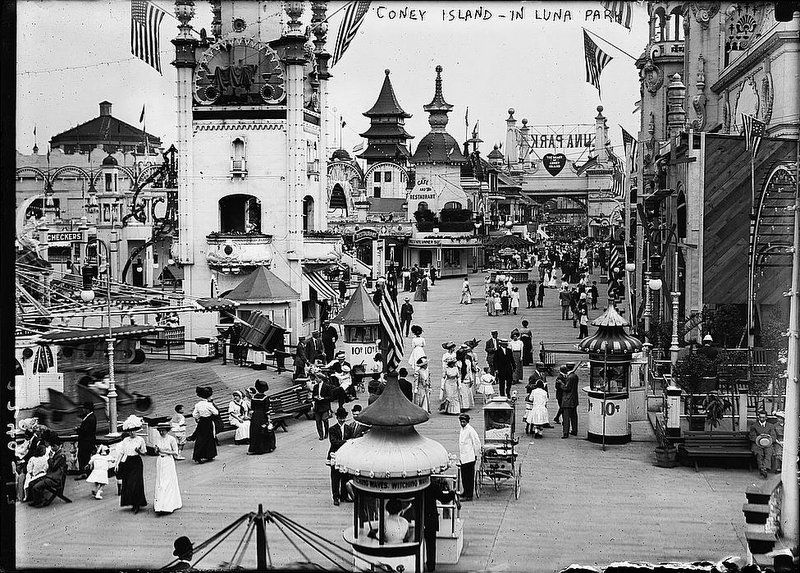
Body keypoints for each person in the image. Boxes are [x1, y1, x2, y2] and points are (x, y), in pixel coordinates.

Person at [423, 477, 458, 572]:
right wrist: (452, 493)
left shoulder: (419, 486)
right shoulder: (433, 486)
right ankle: (431, 566)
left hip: (419, 518)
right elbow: (444, 499)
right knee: (431, 544)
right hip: (431, 518)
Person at [118, 415, 148, 513]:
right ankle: (131, 502)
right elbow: (122, 452)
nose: (131, 432)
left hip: (136, 462)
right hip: (127, 462)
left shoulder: (140, 440)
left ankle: (137, 504)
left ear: (136, 430)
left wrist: (139, 451)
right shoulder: (125, 440)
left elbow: (144, 453)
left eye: (133, 430)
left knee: (135, 482)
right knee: (128, 483)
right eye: (130, 431)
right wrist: (117, 464)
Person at [27, 438, 68, 508]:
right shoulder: (57, 454)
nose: (52, 448)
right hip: (50, 476)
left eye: (54, 446)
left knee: (36, 486)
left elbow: (53, 466)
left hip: (54, 479)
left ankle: (39, 502)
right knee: (32, 483)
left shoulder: (61, 455)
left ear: (59, 446)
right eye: (52, 446)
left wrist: (50, 458)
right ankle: (36, 500)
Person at [153, 421, 182, 515]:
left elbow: (176, 452)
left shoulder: (171, 439)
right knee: (160, 481)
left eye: (163, 431)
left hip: (168, 461)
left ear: (167, 430)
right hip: (160, 461)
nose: (161, 433)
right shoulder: (157, 438)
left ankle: (168, 505)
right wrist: (157, 450)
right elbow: (156, 451)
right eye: (160, 431)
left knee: (168, 482)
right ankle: (159, 505)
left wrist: (165, 451)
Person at [328, 407, 354, 506]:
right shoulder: (332, 429)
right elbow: (333, 442)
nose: (342, 420)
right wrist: (346, 442)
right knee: (335, 477)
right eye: (340, 418)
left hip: (345, 456)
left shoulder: (349, 428)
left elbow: (352, 440)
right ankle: (335, 497)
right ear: (337, 418)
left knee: (345, 476)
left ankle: (344, 496)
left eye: (343, 418)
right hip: (335, 455)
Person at [191, 386, 218, 463]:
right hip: (208, 421)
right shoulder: (209, 404)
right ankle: (209, 454)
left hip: (201, 421)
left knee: (200, 438)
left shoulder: (198, 404)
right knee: (209, 437)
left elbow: (194, 414)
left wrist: (199, 416)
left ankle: (198, 456)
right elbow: (216, 412)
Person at [458, 414, 481, 501]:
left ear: (467, 422)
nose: (462, 423)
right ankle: (465, 492)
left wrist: (476, 454)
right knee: (464, 477)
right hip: (463, 457)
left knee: (469, 477)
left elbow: (476, 442)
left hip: (470, 457)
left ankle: (469, 495)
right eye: (461, 422)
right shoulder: (462, 429)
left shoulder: (470, 430)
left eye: (464, 422)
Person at [248, 380, 276, 454]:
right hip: (262, 416)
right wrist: (269, 419)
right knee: (264, 430)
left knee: (255, 431)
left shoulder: (253, 398)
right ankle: (266, 448)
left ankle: (253, 449)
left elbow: (252, 408)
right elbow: (267, 410)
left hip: (255, 416)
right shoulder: (265, 398)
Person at [748, 410, 775, 478]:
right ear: (758, 417)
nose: (762, 419)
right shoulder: (754, 426)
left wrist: (768, 439)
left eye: (763, 417)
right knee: (759, 454)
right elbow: (752, 437)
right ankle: (761, 468)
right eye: (760, 417)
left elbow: (773, 436)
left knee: (768, 453)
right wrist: (760, 438)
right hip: (757, 444)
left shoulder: (771, 426)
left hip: (768, 444)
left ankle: (764, 468)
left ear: (766, 418)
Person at [75, 401, 97, 480]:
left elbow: (85, 431)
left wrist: (77, 430)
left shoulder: (90, 418)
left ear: (88, 409)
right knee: (85, 458)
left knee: (83, 457)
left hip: (86, 442)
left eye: (84, 408)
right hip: (88, 441)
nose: (83, 410)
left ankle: (84, 473)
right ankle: (85, 472)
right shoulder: (91, 417)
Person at [310, 370, 333, 441]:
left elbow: (331, 397)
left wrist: (323, 398)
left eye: (317, 378)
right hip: (317, 406)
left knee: (325, 420)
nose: (316, 380)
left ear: (321, 379)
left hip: (324, 405)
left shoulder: (327, 386)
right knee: (318, 421)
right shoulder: (315, 386)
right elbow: (313, 396)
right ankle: (321, 435)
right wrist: (316, 397)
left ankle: (326, 433)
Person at [560, 364, 580, 439]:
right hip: (574, 399)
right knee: (574, 416)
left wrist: (561, 384)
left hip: (568, 400)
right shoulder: (575, 376)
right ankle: (574, 430)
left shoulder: (570, 377)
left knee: (566, 417)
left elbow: (566, 388)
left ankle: (565, 433)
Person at [456, 347, 476, 412]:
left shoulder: (457, 363)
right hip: (466, 379)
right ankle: (466, 405)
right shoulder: (467, 362)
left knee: (462, 394)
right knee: (466, 393)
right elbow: (470, 371)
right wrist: (471, 379)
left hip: (461, 380)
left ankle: (463, 406)